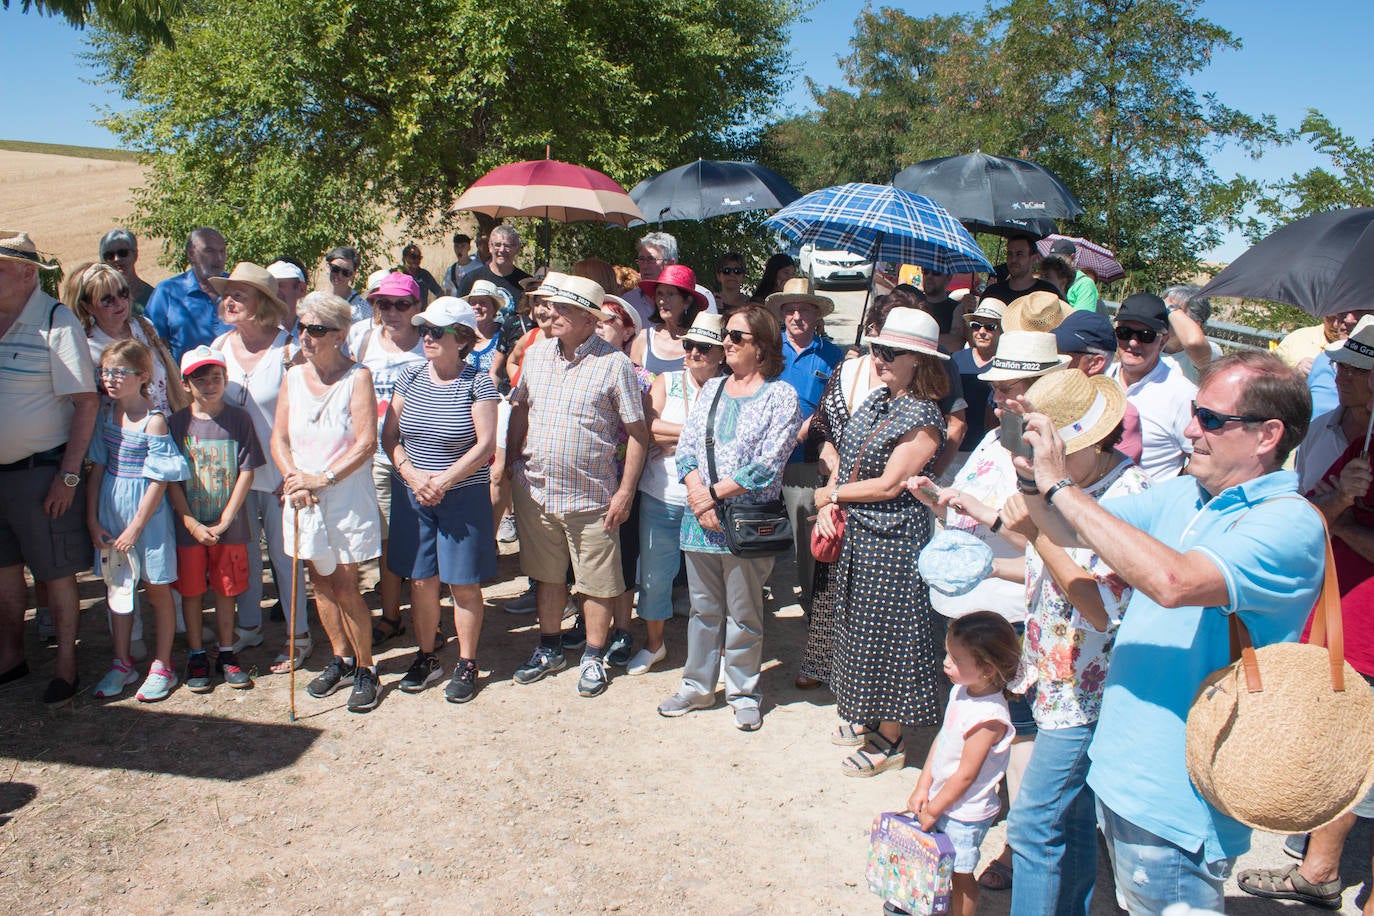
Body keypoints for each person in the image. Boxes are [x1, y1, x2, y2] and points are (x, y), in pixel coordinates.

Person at [1007, 350, 1326, 913]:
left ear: (1267, 435)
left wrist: (1059, 486)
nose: (1188, 429)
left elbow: (1173, 581)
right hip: (1127, 770)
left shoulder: (1287, 522)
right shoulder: (1187, 493)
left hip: (1178, 793)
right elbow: (1064, 526)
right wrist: (1033, 474)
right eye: (1194, 412)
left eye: (1211, 419)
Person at [940, 368, 1148, 914]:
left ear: (1094, 441)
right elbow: (1045, 569)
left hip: (1086, 694)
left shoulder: (1127, 498)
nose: (1036, 465)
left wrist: (1033, 530)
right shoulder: (1075, 486)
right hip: (1054, 679)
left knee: (1032, 826)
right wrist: (993, 550)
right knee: (1072, 822)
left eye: (1052, 452)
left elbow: (1102, 610)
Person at [813, 307, 949, 772]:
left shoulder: (925, 416)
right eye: (877, 349)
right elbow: (847, 462)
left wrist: (830, 495)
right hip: (860, 535)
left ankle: (889, 740)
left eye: (891, 353)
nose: (880, 358)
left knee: (889, 636)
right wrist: (834, 501)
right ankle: (864, 715)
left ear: (919, 360)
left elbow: (891, 484)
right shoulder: (877, 401)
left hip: (893, 541)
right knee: (856, 629)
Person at [658, 304, 802, 731]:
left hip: (745, 520)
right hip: (699, 520)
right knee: (703, 609)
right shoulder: (713, 388)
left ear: (761, 347)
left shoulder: (781, 396)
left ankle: (742, 691)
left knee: (744, 611)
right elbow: (686, 447)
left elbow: (768, 464)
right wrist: (697, 495)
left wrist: (710, 498)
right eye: (727, 334)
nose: (726, 342)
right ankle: (697, 686)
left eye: (737, 336)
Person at [505, 275, 649, 698]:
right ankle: (550, 649)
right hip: (538, 491)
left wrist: (624, 492)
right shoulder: (536, 355)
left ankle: (593, 656)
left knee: (597, 583)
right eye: (554, 307)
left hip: (592, 496)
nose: (554, 314)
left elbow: (638, 434)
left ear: (589, 320)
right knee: (548, 578)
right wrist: (514, 459)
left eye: (565, 309)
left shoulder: (614, 363)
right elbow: (520, 408)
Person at [272, 292, 384, 713]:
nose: (306, 336)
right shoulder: (292, 377)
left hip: (345, 495)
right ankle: (339, 658)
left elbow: (366, 442)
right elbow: (279, 438)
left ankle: (366, 668)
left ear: (339, 335)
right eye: (301, 327)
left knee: (344, 583)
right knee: (318, 581)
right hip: (302, 496)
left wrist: (324, 478)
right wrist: (294, 480)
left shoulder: (359, 377)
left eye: (316, 329)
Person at [383, 297, 499, 702]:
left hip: (462, 497)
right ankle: (428, 655)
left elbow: (485, 445)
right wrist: (414, 477)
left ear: (462, 339)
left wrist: (443, 481)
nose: (427, 337)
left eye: (436, 331)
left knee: (462, 583)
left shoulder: (478, 383)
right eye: (424, 330)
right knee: (420, 579)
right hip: (414, 493)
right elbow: (390, 437)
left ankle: (467, 662)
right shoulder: (409, 377)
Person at [0, 231, 99, 704]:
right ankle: (11, 657)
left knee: (56, 573)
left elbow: (85, 402)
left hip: (42, 472)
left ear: (25, 273)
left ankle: (66, 666)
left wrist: (68, 475)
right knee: (3, 572)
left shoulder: (57, 322)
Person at [209, 263, 306, 670]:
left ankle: (298, 637)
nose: (229, 301)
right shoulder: (217, 349)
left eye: (240, 295)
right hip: (234, 476)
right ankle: (248, 627)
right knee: (241, 554)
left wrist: (296, 472)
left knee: (287, 558)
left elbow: (305, 415)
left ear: (263, 304)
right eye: (227, 293)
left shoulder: (291, 349)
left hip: (281, 475)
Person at [85, 339, 189, 703]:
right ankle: (122, 661)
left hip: (147, 518)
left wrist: (135, 527)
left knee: (158, 589)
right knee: (118, 588)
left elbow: (160, 480)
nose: (110, 379)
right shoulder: (105, 415)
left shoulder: (155, 422)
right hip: (112, 512)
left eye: (119, 372)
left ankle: (162, 664)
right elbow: (97, 467)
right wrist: (93, 518)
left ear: (142, 376)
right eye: (105, 372)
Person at [905, 611, 1020, 916]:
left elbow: (966, 776)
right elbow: (942, 742)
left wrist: (934, 808)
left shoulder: (989, 717)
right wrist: (923, 785)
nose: (946, 662)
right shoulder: (961, 690)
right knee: (940, 867)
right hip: (943, 802)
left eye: (955, 659)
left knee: (960, 874)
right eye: (947, 653)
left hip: (965, 814)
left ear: (986, 669)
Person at [166, 346, 264, 693]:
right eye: (200, 379)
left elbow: (247, 472)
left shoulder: (240, 420)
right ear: (185, 383)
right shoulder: (176, 424)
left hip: (230, 527)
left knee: (227, 590)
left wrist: (225, 519)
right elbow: (172, 481)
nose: (209, 384)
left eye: (216, 377)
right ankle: (195, 654)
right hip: (188, 528)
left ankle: (226, 652)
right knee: (192, 592)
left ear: (225, 378)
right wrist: (191, 521)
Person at [636, 312, 726, 675]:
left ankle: (713, 655)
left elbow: (731, 440)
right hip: (661, 496)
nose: (693, 353)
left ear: (721, 352)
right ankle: (654, 645)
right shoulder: (667, 380)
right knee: (655, 578)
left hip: (709, 499)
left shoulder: (731, 387)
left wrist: (676, 439)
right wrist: (695, 433)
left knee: (709, 586)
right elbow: (648, 427)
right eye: (689, 345)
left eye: (703, 347)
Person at [346, 272, 427, 648]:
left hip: (422, 456)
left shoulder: (430, 341)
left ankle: (429, 619)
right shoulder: (362, 337)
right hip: (374, 455)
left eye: (401, 304)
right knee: (389, 541)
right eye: (383, 303)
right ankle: (391, 615)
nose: (392, 312)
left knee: (425, 541)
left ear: (417, 306)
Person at [768, 277, 845, 612]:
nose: (796, 315)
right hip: (767, 456)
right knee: (760, 528)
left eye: (804, 309)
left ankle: (813, 598)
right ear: (782, 313)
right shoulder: (767, 349)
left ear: (817, 315)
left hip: (807, 459)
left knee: (805, 532)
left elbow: (837, 405)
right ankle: (757, 594)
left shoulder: (833, 355)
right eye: (790, 309)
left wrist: (809, 427)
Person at [67, 261, 184, 416]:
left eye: (123, 293)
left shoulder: (144, 327)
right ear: (87, 307)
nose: (119, 303)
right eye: (107, 300)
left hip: (165, 426)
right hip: (121, 435)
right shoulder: (86, 348)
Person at [1107, 292, 1196, 481]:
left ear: (1163, 340)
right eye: (1124, 333)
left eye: (1145, 336)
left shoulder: (1182, 394)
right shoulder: (1102, 378)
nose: (1132, 342)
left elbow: (1199, 458)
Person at [1052, 309, 1145, 466]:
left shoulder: (1120, 416)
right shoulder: (1047, 397)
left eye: (1064, 353)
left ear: (1095, 363)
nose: (1054, 359)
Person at [1295, 316, 1374, 495]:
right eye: (1341, 366)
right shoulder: (1317, 428)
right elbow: (1298, 496)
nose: (1341, 379)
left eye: (1359, 370)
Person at [145, 227, 228, 361]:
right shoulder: (168, 292)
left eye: (222, 251)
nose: (218, 258)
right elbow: (151, 343)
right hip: (188, 379)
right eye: (209, 251)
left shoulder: (238, 289)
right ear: (191, 254)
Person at [948, 297, 1004, 472]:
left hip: (988, 451)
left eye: (990, 327)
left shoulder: (1006, 367)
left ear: (1002, 330)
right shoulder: (955, 359)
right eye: (976, 325)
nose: (981, 331)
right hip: (953, 449)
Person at [630, 263, 707, 374]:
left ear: (687, 302)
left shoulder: (700, 342)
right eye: (659, 294)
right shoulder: (643, 338)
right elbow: (634, 384)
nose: (662, 300)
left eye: (670, 294)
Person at [456, 225, 531, 307]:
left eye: (507, 246)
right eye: (497, 245)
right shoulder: (471, 279)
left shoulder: (525, 284)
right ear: (490, 247)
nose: (502, 250)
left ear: (517, 248)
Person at [1161, 284, 1220, 383]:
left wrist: (1170, 309)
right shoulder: (1151, 346)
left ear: (1195, 323)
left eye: (1176, 312)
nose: (1164, 317)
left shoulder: (1211, 351)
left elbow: (1193, 342)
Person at [622, 231, 679, 327]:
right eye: (641, 259)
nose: (645, 266)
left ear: (670, 263)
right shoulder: (627, 303)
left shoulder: (694, 298)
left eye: (651, 260)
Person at [982, 235, 1059, 305]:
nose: (1013, 259)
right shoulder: (993, 293)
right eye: (1010, 254)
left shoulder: (1048, 293)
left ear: (1034, 259)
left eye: (1019, 254)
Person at [98, 228, 155, 312]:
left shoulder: (153, 297)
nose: (116, 259)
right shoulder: (97, 298)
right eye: (109, 255)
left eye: (123, 253)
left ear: (135, 255)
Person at [464, 279, 507, 382]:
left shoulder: (503, 335)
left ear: (494, 308)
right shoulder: (462, 335)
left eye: (483, 302)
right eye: (473, 303)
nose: (477, 307)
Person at [1047, 238, 1100, 313]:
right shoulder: (1048, 279)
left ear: (1072, 257)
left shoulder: (1085, 284)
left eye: (1059, 259)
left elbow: (1081, 318)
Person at [322, 246, 370, 323]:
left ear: (353, 275)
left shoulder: (363, 309)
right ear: (327, 267)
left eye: (346, 272)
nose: (339, 275)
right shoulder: (312, 300)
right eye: (335, 269)